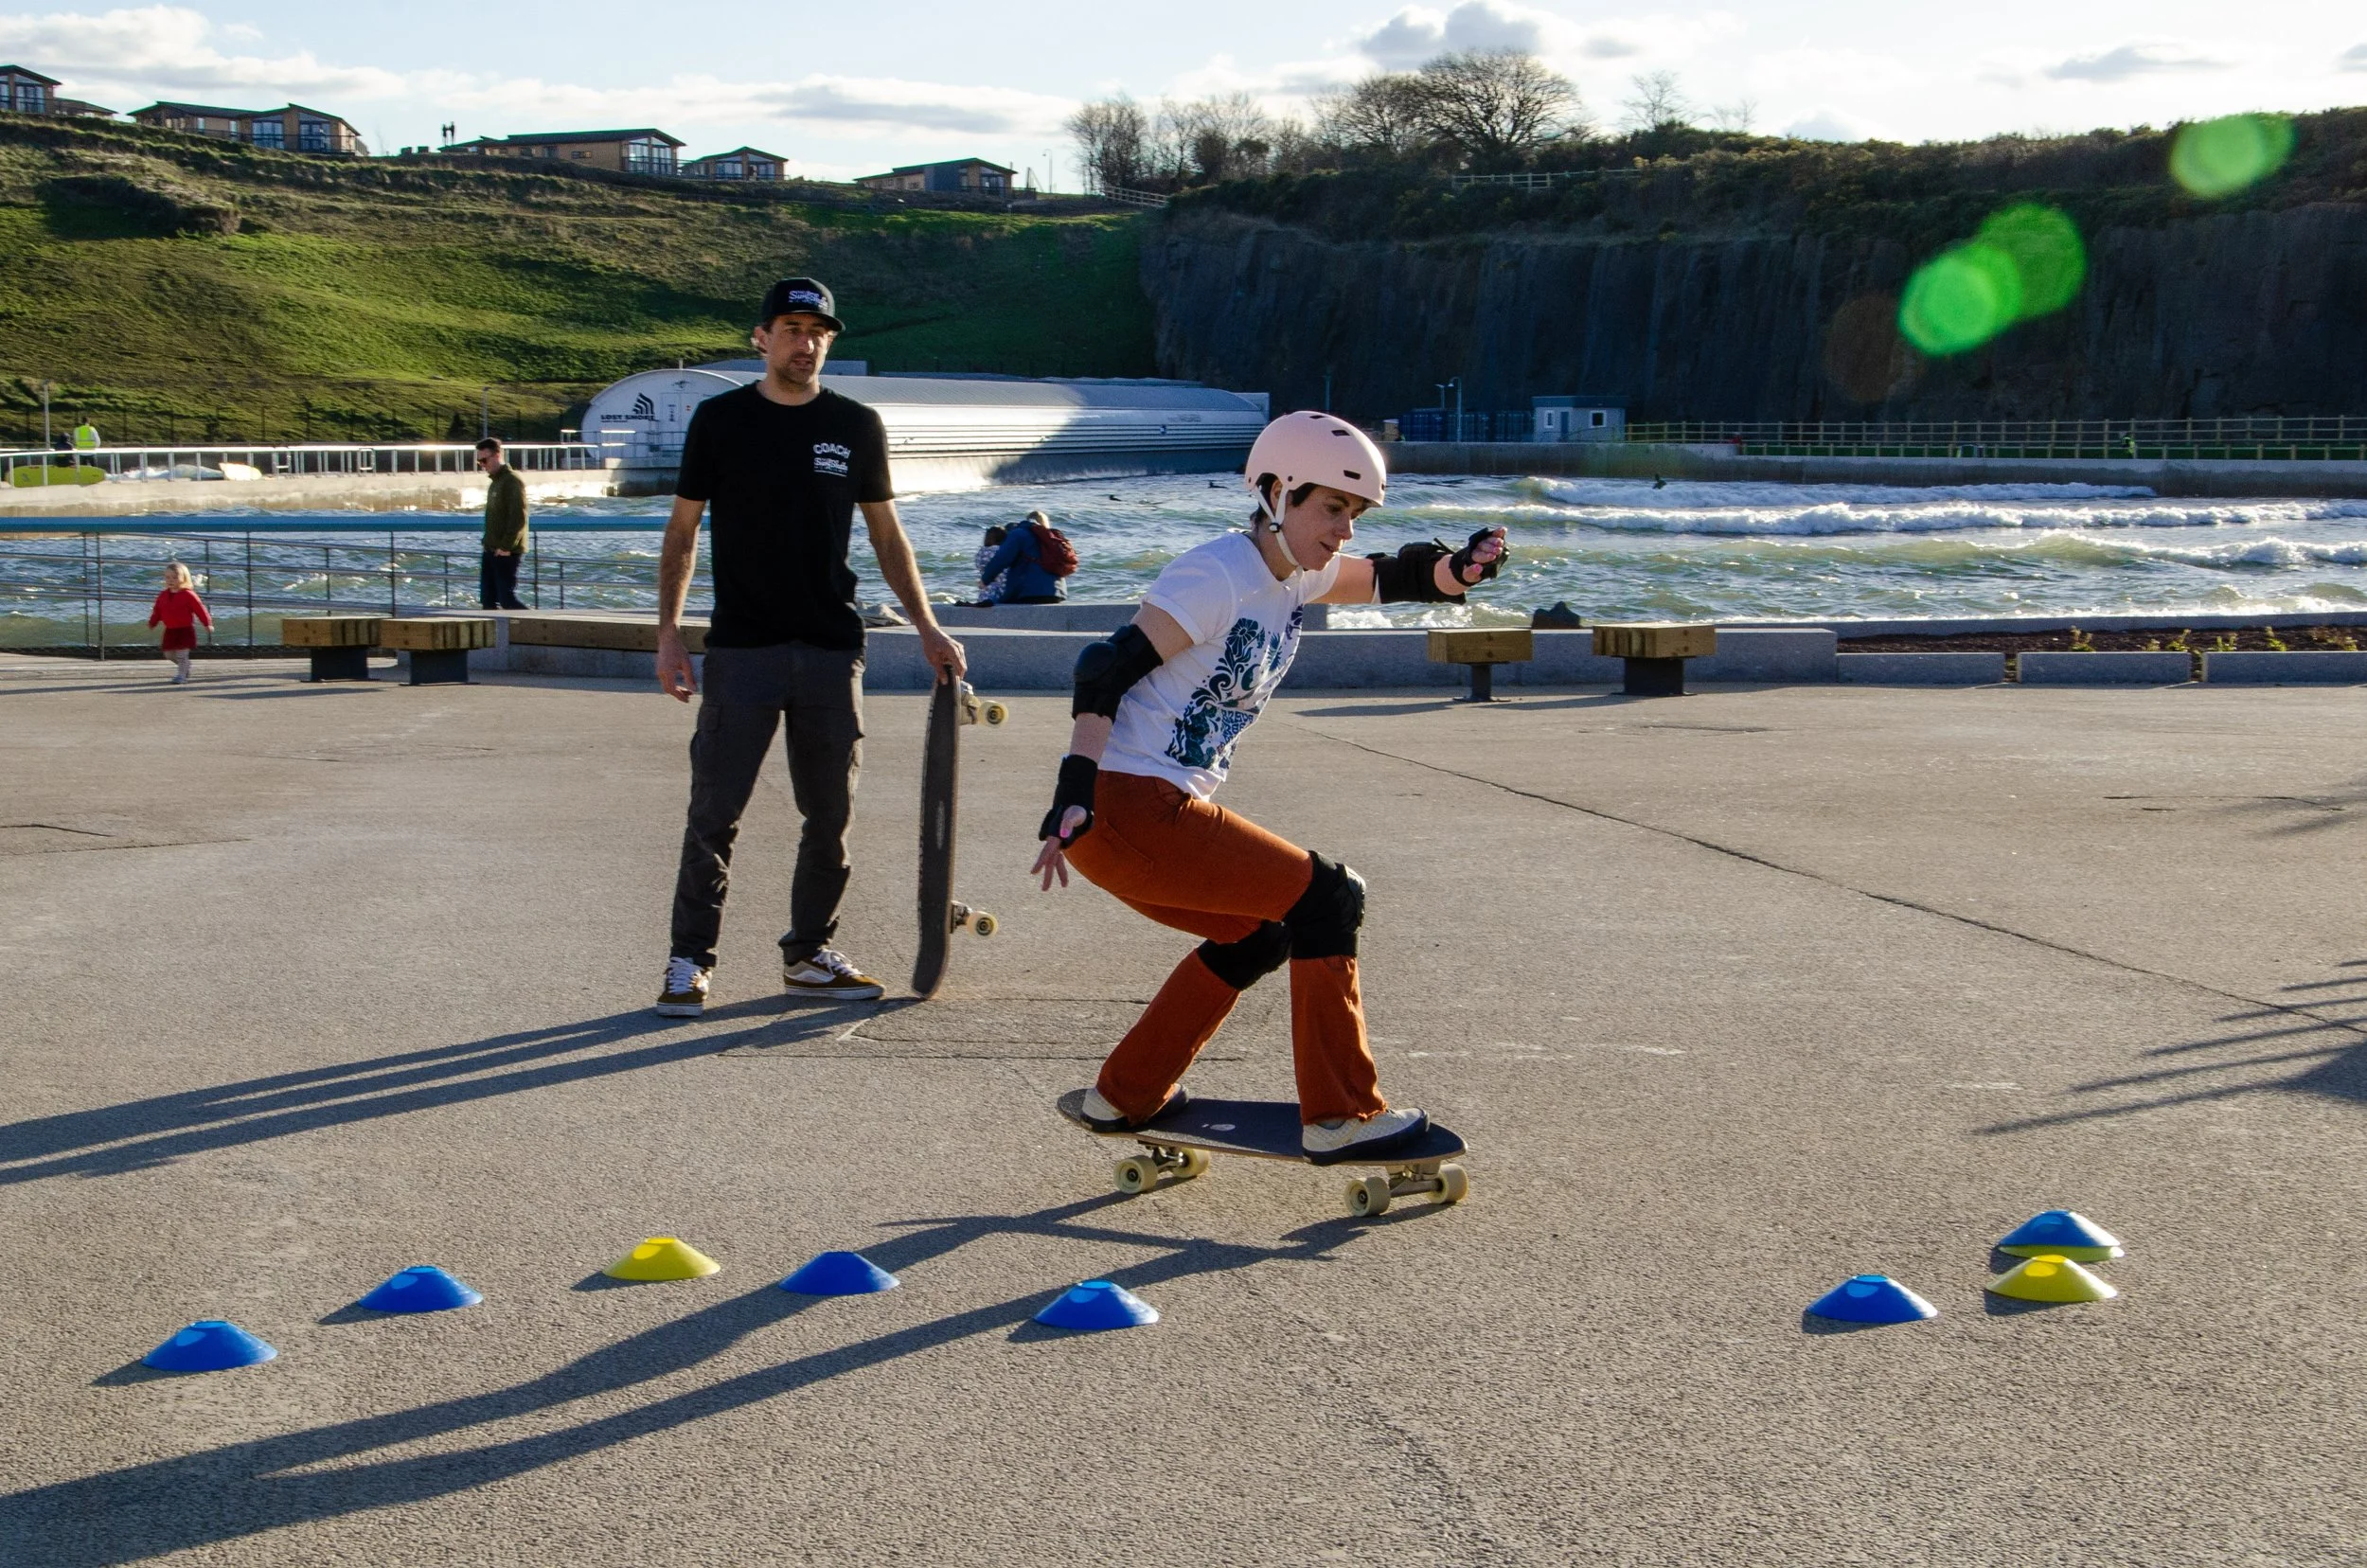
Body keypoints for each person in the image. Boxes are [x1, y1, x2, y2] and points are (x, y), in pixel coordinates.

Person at [1030, 411, 1506, 1160]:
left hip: (1144, 817)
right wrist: (1075, 784)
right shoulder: (1218, 571)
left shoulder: (1296, 573)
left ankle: (1123, 1095)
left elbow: (1391, 576)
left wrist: (1461, 572)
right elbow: (1105, 666)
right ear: (1278, 492)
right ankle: (1340, 1117)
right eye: (1332, 508)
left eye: (1354, 513)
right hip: (1127, 806)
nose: (1344, 530)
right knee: (1329, 898)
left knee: (1257, 933)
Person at [652, 276, 965, 1017]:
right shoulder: (720, 421)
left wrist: (926, 625)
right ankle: (687, 961)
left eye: (819, 330)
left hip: (830, 648)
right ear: (762, 337)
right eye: (792, 327)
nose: (807, 341)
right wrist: (668, 635)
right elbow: (682, 532)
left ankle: (809, 954)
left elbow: (888, 536)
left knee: (829, 816)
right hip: (742, 650)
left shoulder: (855, 426)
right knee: (713, 814)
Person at [975, 509, 1069, 605]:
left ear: (1028, 521)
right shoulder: (1053, 538)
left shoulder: (1019, 534)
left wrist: (985, 580)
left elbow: (1001, 559)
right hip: (1057, 593)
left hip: (1029, 594)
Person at [476, 437, 528, 610]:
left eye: (484, 460)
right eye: (479, 461)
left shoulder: (512, 481)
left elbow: (518, 517)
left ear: (497, 455)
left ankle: (538, 624)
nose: (482, 465)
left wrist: (506, 546)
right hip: (491, 549)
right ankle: (495, 636)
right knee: (487, 600)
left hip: (505, 551)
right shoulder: (495, 482)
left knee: (506, 599)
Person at [147, 561, 212, 684]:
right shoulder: (163, 595)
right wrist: (153, 622)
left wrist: (207, 623)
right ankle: (185, 665)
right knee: (169, 654)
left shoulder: (188, 594)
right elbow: (158, 610)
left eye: (175, 577)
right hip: (170, 630)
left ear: (183, 578)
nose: (171, 580)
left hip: (185, 630)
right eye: (168, 578)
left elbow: (200, 609)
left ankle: (182, 675)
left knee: (182, 655)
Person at [972, 525, 1010, 606]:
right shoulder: (1002, 551)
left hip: (985, 591)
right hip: (1000, 590)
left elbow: (978, 565)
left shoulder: (981, 552)